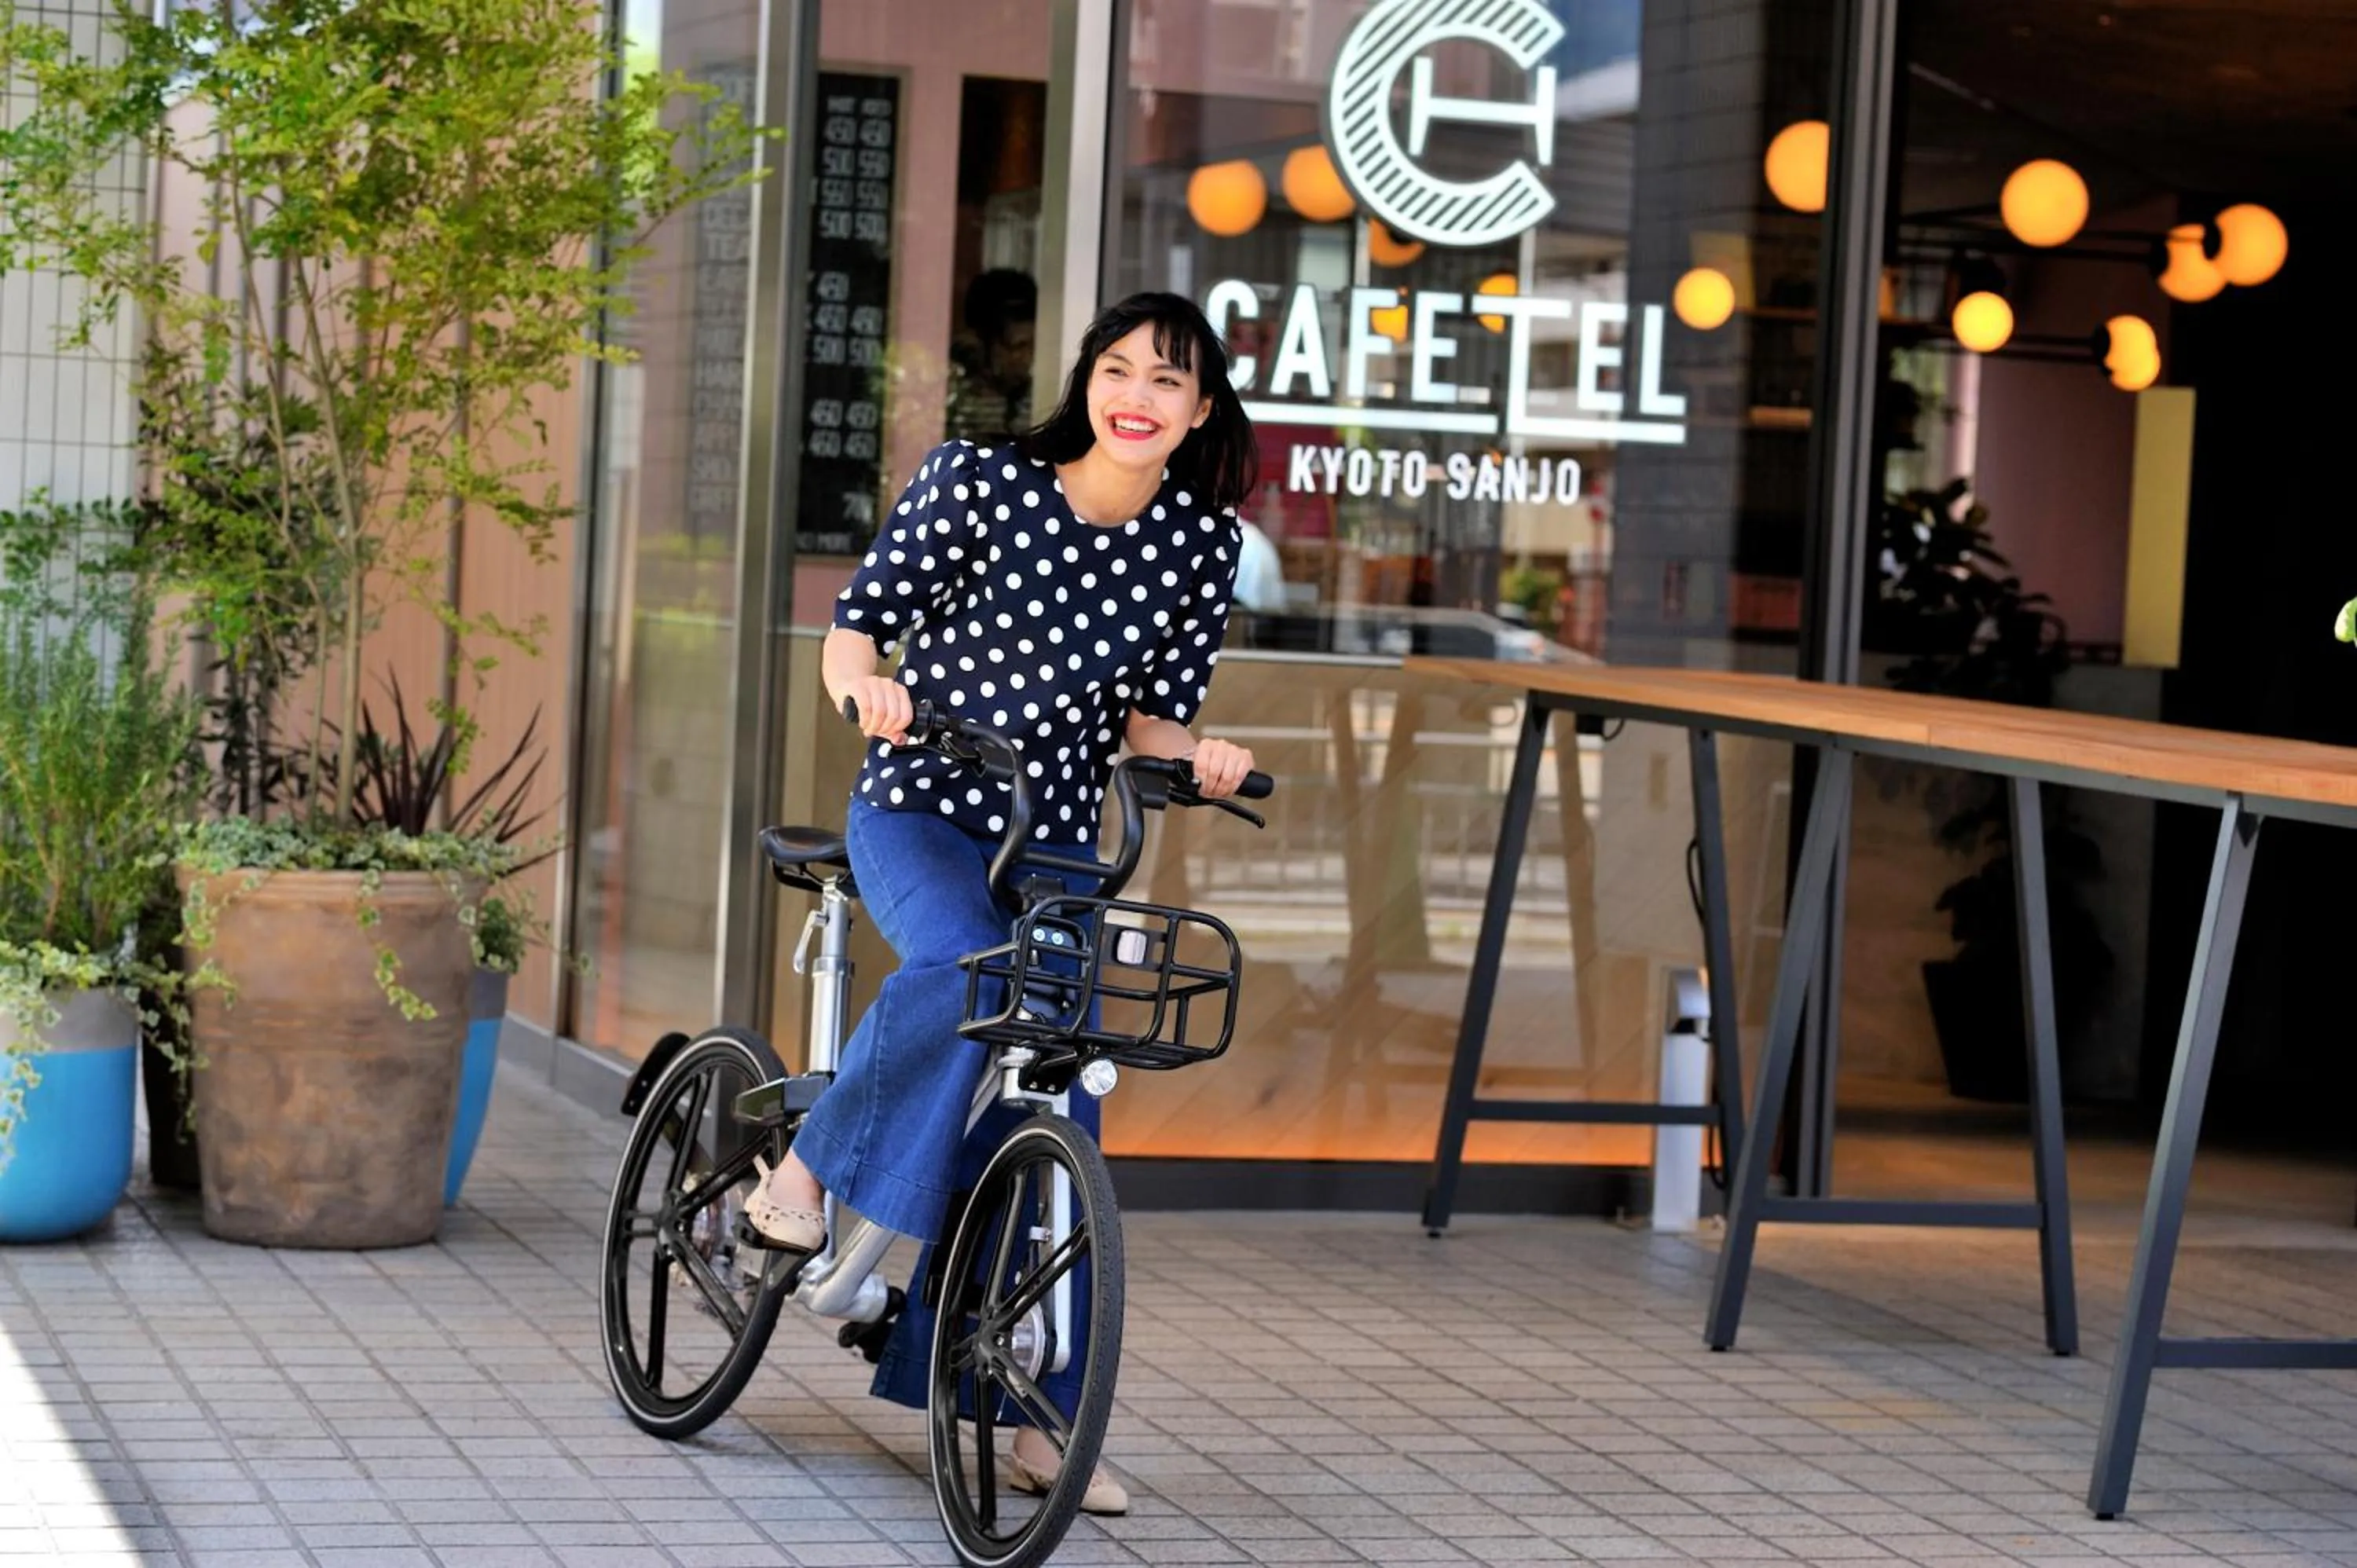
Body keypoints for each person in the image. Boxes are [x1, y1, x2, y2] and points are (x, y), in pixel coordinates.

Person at [747, 291, 1260, 1515]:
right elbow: (856, 631)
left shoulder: (1199, 543)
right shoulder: (981, 479)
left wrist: (1203, 755)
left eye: (1168, 383)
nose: (1136, 396)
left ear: (1198, 414)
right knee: (971, 966)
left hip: (1059, 843)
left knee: (1062, 1101)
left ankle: (1030, 1417)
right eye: (1119, 369)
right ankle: (809, 1174)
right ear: (1088, 380)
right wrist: (864, 694)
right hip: (924, 805)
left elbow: (1147, 717)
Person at [944, 267, 1039, 441]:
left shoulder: (1038, 398)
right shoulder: (952, 398)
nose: (1028, 359)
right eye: (1018, 347)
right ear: (980, 343)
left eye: (1033, 347)